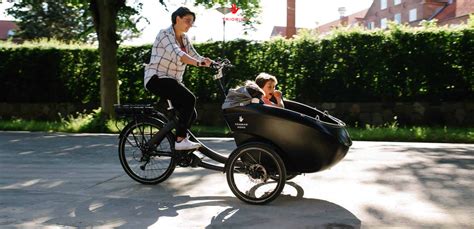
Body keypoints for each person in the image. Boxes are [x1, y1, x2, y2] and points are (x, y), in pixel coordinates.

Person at [144, 7, 213, 150]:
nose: (190, 24)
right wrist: (198, 63)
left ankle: (177, 144)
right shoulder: (164, 34)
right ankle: (180, 141)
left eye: (192, 22)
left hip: (172, 80)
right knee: (189, 99)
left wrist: (209, 62)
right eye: (187, 21)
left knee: (190, 114)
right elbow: (178, 54)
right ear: (177, 19)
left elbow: (194, 56)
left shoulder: (185, 38)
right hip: (156, 79)